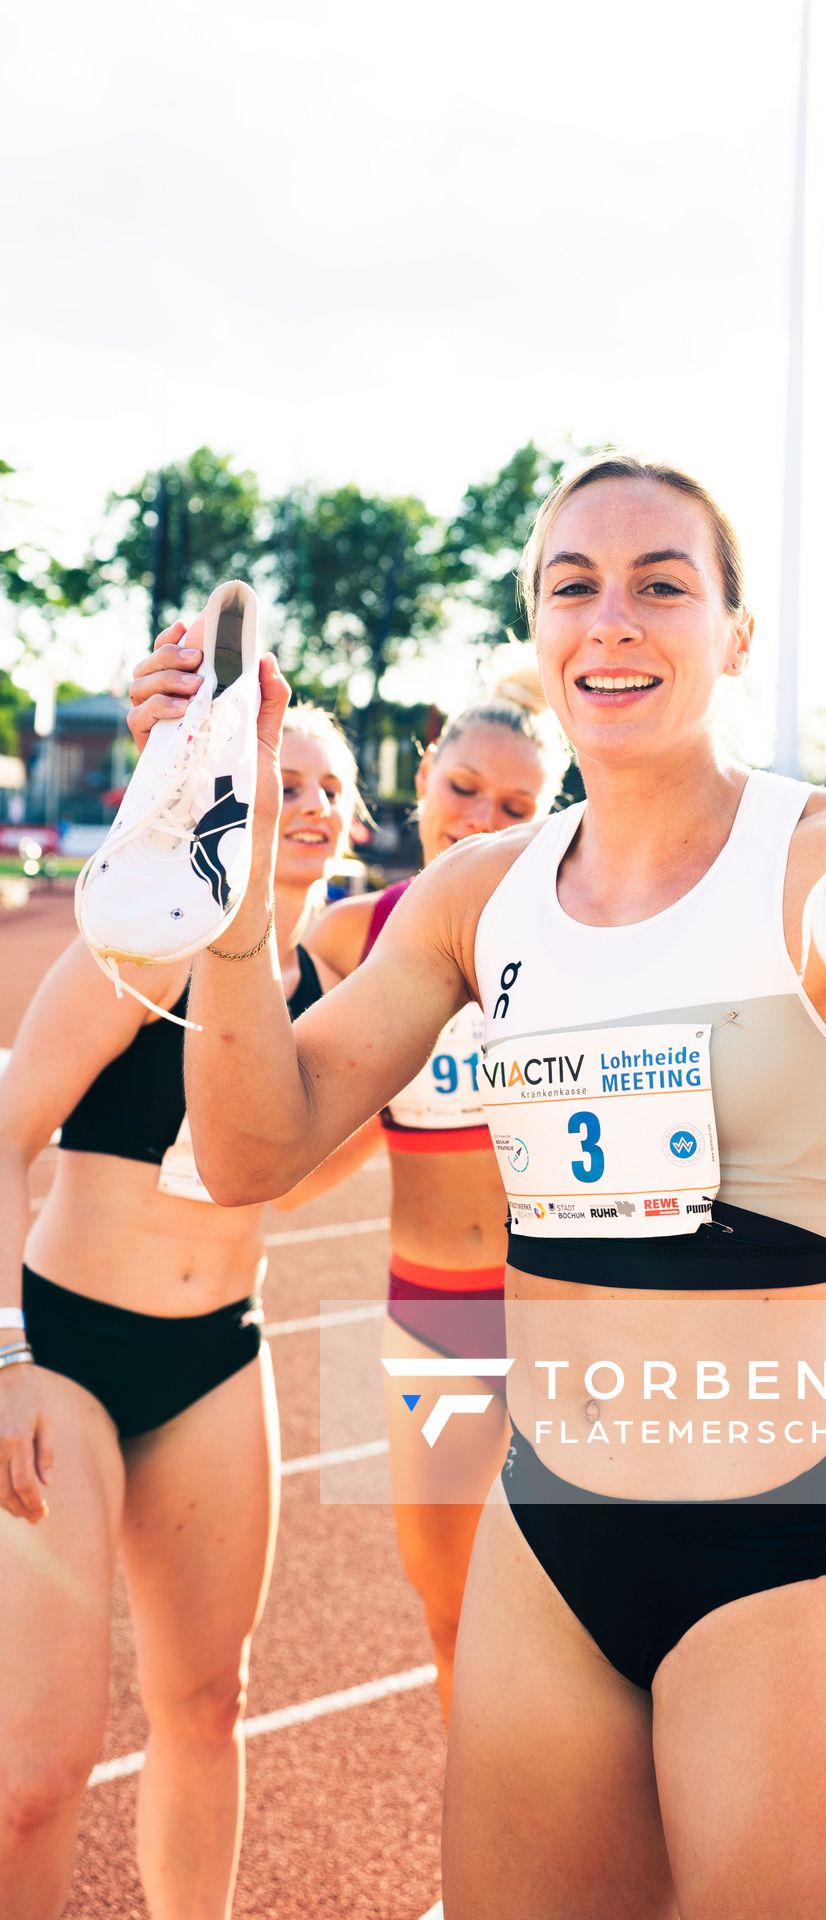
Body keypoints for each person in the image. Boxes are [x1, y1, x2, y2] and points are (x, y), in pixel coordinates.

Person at [172, 454, 826, 1919]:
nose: (612, 622)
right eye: (571, 587)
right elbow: (251, 1151)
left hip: (774, 1562)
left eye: (663, 585)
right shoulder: (476, 899)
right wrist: (226, 893)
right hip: (550, 1545)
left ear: (735, 636)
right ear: (535, 632)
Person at [0, 646, 359, 1920]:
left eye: (331, 790)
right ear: (238, 789)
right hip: (64, 1352)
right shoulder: (148, 941)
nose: (308, 802)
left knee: (209, 1707)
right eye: (286, 778)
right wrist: (6, 1361)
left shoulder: (330, 1003)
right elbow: (2, 1131)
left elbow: (293, 1183)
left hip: (218, 1355)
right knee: (39, 1771)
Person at [279, 664, 565, 1721]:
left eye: (515, 807)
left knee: (582, 1622)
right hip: (432, 1322)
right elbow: (305, 1161)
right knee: (447, 1612)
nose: (481, 819)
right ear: (425, 776)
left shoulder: (576, 942)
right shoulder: (349, 940)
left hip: (563, 1321)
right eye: (463, 790)